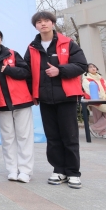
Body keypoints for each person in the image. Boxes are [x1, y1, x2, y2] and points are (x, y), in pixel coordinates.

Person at [24, 11, 87, 189]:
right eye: (39, 22)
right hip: (45, 99)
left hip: (66, 97)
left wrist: (60, 70)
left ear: (53, 23)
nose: (43, 24)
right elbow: (27, 72)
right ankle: (58, 170)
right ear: (35, 26)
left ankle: (73, 172)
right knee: (52, 137)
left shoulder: (68, 43)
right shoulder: (32, 47)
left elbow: (81, 65)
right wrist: (32, 94)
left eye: (46, 21)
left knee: (70, 136)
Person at [0, 27, 34, 184]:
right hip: (1, 104)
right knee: (7, 138)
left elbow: (26, 72)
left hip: (21, 101)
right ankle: (12, 169)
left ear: (1, 39)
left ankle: (25, 171)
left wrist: (10, 70)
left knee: (24, 137)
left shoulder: (12, 54)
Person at [82, 63, 106, 139]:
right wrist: (100, 97)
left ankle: (93, 128)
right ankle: (103, 132)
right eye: (90, 67)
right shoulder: (86, 79)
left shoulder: (101, 78)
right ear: (87, 69)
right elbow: (89, 90)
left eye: (94, 67)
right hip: (95, 100)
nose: (93, 68)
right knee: (98, 117)